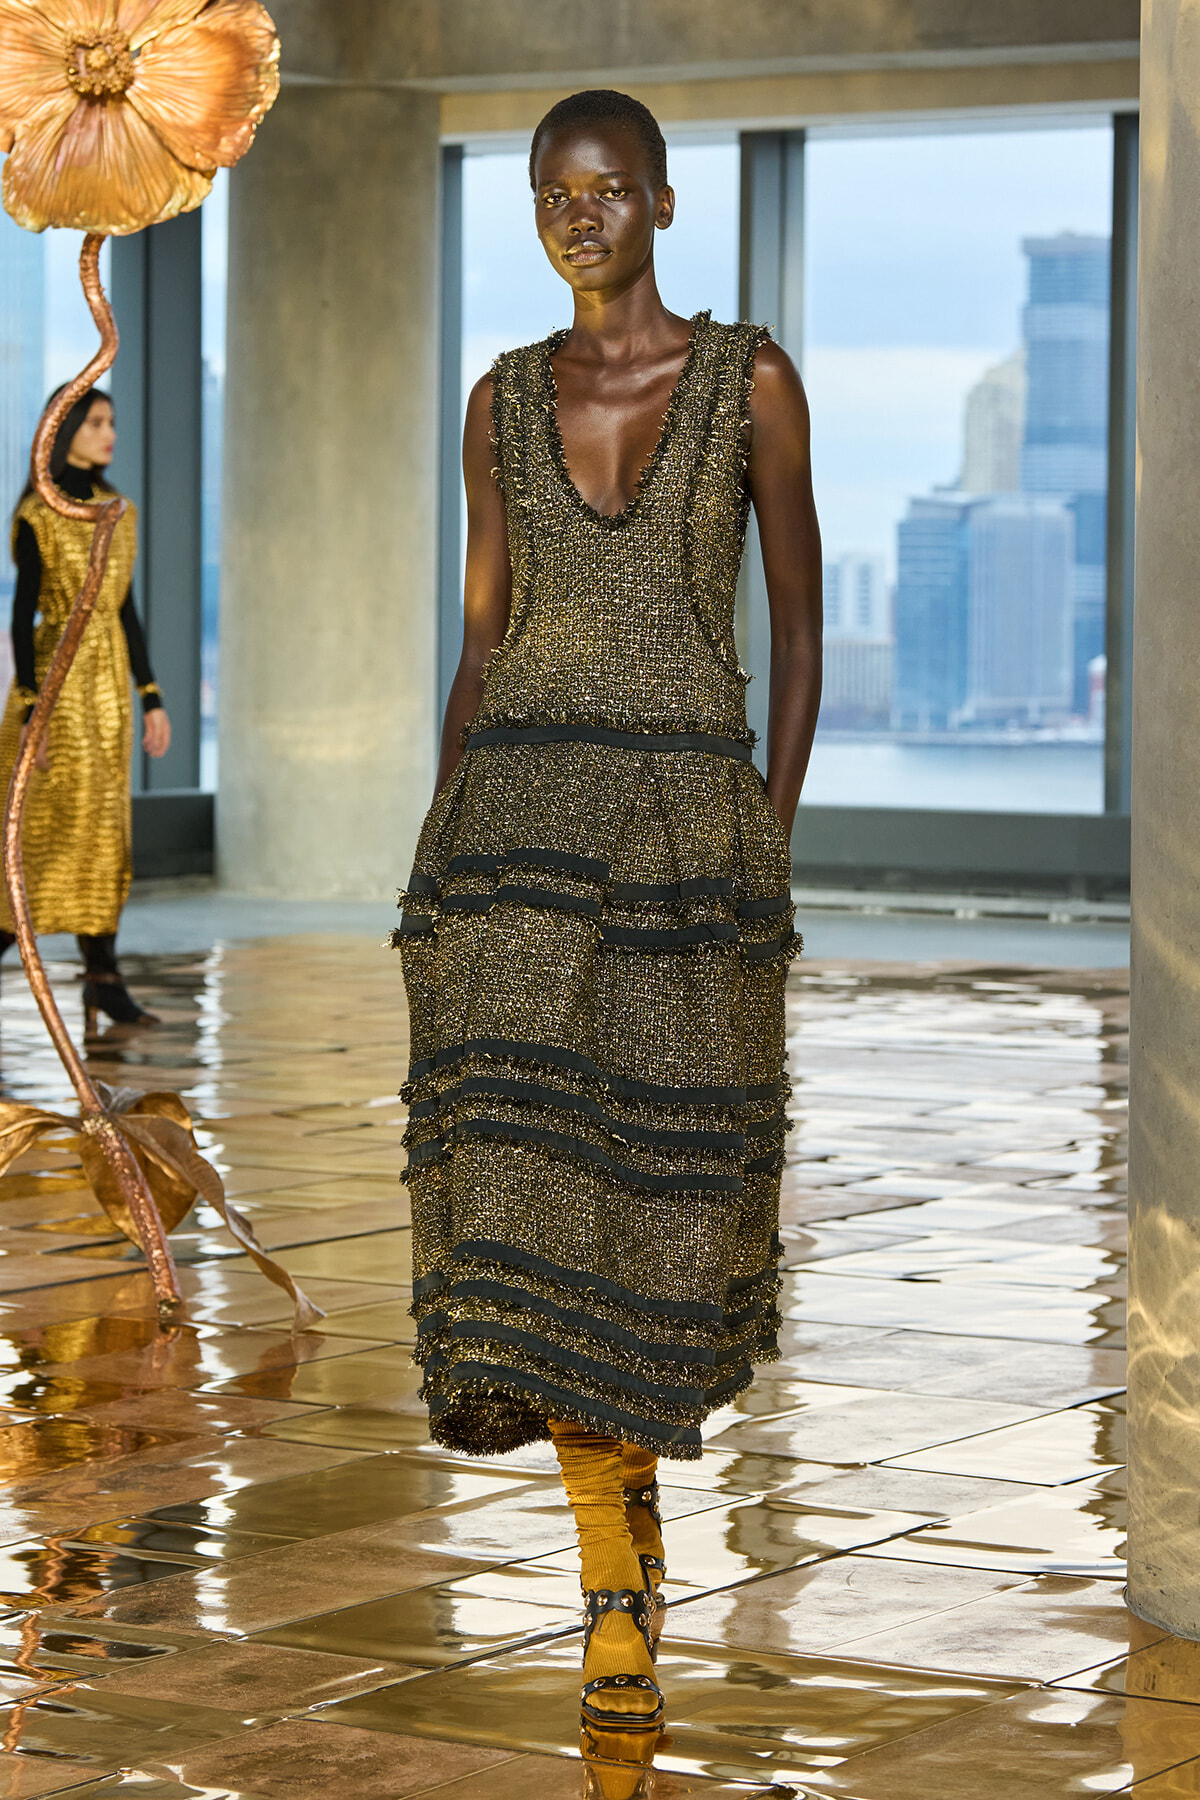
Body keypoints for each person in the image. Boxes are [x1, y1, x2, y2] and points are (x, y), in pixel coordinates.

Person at [394, 90, 821, 1737]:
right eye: (550, 195)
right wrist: (442, 848)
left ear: (660, 203)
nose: (579, 218)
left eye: (607, 192)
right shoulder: (501, 401)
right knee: (525, 1197)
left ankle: (632, 1525)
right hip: (513, 839)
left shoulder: (751, 380)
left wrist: (762, 839)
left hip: (683, 837)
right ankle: (611, 1584)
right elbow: (484, 641)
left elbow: (799, 625)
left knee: (655, 1202)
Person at [0, 387, 171, 1027]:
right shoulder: (40, 514)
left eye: (113, 422)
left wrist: (151, 695)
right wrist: (29, 712)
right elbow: (22, 617)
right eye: (97, 422)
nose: (110, 434)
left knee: (103, 835)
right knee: (38, 839)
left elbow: (126, 609)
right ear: (64, 427)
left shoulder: (116, 511)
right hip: (56, 690)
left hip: (109, 697)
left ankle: (103, 975)